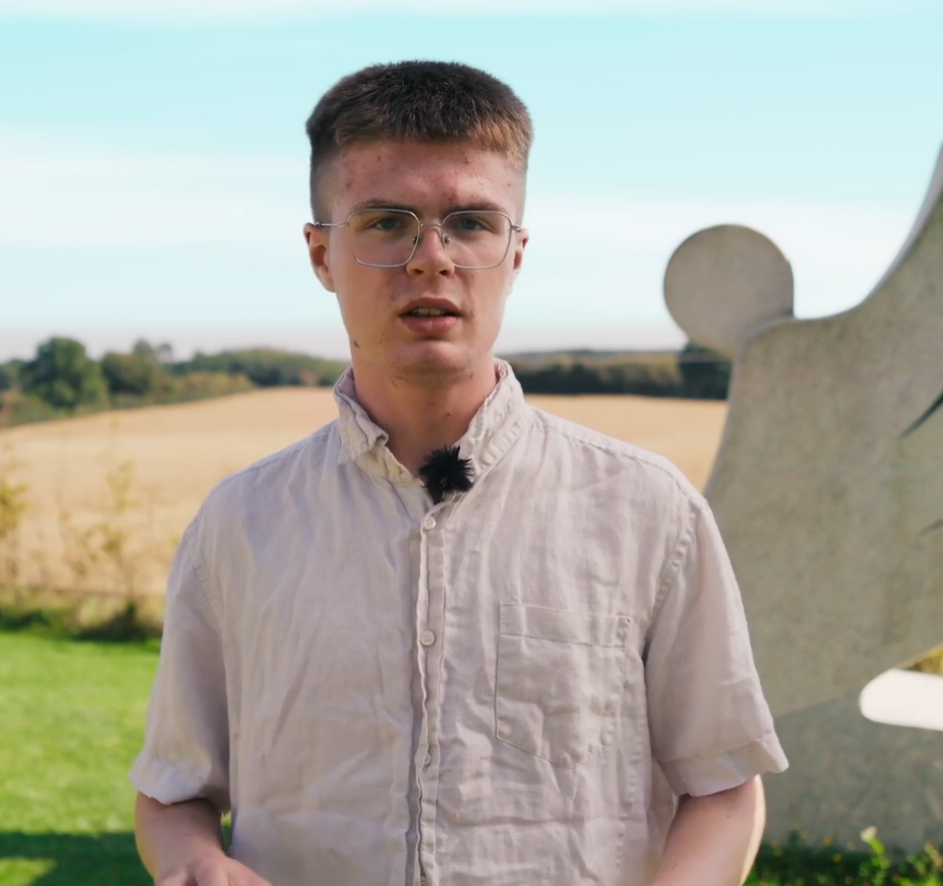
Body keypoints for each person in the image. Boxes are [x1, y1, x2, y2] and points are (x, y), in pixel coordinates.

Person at [131, 60, 788, 886]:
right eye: (385, 223)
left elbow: (722, 786)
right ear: (321, 254)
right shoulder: (239, 524)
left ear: (515, 253)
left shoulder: (648, 511)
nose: (430, 259)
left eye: (471, 222)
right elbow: (174, 792)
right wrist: (194, 863)